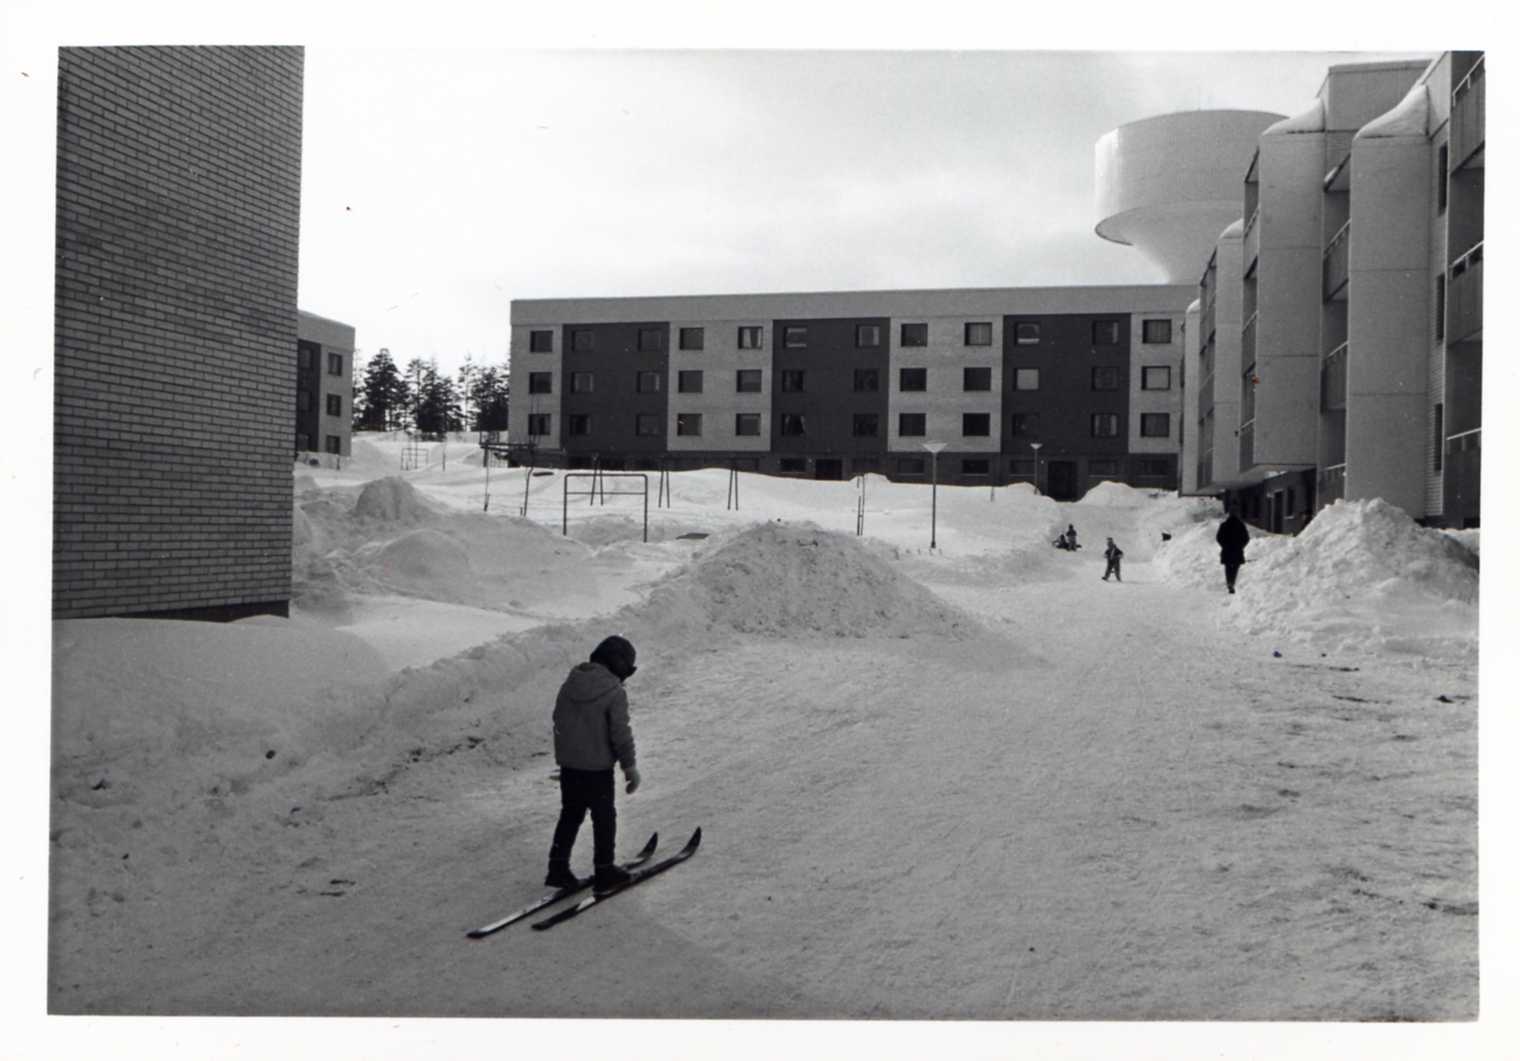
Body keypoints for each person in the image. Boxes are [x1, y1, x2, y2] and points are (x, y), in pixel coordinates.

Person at [545, 635, 642, 893]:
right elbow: (620, 733)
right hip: (597, 770)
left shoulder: (570, 684)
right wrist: (629, 767)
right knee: (604, 817)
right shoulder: (614, 692)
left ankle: (557, 866)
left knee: (571, 814)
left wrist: (569, 755)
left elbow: (559, 720)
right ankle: (604, 869)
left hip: (570, 767)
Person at [1216, 508, 1251, 594]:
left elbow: (1219, 538)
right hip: (1237, 550)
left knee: (1228, 567)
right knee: (1235, 567)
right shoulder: (1241, 525)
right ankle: (1232, 582)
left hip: (1227, 550)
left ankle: (1229, 582)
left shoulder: (1224, 525)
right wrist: (1241, 546)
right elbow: (1246, 538)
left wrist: (1224, 545)